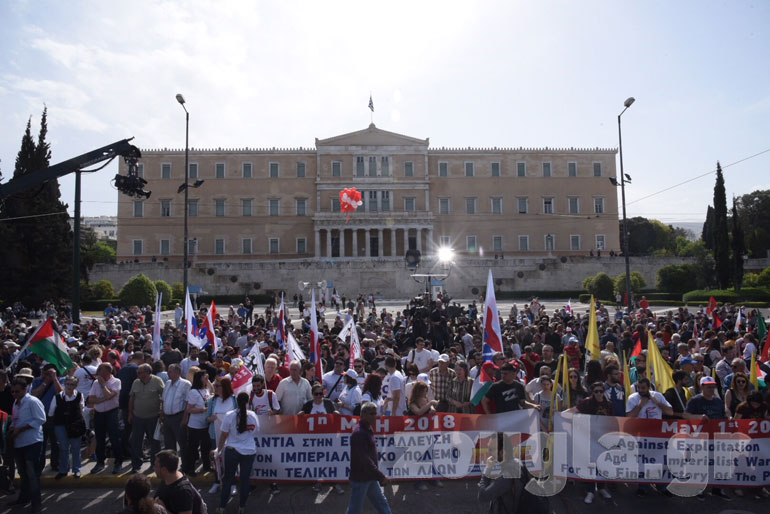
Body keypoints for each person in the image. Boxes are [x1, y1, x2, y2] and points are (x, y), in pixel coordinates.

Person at [685, 376, 731, 500]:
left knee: (718, 463)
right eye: (708, 387)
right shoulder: (695, 401)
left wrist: (729, 419)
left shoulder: (717, 401)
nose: (711, 389)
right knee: (701, 463)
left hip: (717, 437)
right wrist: (699, 417)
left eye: (713, 386)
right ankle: (699, 488)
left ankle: (717, 489)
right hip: (701, 437)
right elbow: (686, 415)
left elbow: (723, 416)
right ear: (702, 387)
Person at [345, 402, 392, 514]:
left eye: (375, 413)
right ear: (363, 414)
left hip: (370, 477)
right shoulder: (359, 433)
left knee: (382, 503)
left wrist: (376, 475)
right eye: (372, 413)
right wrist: (380, 476)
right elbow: (364, 460)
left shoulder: (367, 429)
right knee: (354, 510)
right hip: (361, 478)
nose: (375, 416)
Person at [216, 392, 259, 514]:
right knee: (245, 480)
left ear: (237, 402)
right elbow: (256, 431)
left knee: (228, 479)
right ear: (247, 402)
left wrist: (218, 450)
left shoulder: (229, 415)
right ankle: (242, 507)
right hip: (249, 451)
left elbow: (224, 435)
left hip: (232, 451)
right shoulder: (253, 415)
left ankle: (222, 508)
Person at [8, 379, 46, 512]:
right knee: (23, 473)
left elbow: (41, 419)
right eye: (12, 392)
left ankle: (36, 503)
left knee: (32, 474)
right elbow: (15, 419)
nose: (14, 394)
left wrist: (21, 429)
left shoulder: (32, 401)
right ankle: (24, 498)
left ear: (25, 390)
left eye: (17, 391)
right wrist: (12, 428)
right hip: (19, 443)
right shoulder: (16, 403)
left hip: (32, 442)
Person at [574, 382, 613, 504]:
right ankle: (590, 491)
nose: (599, 394)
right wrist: (560, 415)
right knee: (590, 464)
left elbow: (612, 421)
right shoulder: (587, 403)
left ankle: (601, 488)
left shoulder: (609, 404)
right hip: (589, 438)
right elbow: (574, 410)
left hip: (603, 439)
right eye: (596, 391)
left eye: (601, 391)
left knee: (602, 463)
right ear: (592, 392)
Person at [88, 362, 124, 474]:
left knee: (114, 439)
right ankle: (100, 462)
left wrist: (103, 385)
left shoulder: (116, 382)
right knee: (99, 439)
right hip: (99, 413)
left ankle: (118, 462)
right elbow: (91, 400)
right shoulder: (95, 383)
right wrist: (103, 399)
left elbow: (110, 395)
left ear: (107, 372)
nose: (98, 373)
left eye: (100, 371)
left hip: (112, 413)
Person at [129, 363, 165, 473]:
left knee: (154, 442)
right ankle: (136, 465)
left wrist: (162, 414)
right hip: (138, 417)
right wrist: (130, 413)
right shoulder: (136, 382)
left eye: (139, 373)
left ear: (147, 373)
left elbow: (164, 397)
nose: (137, 374)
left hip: (153, 417)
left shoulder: (157, 381)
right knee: (136, 441)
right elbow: (132, 398)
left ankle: (155, 464)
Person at [49, 375, 86, 479]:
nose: (69, 386)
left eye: (72, 384)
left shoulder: (79, 395)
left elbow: (81, 409)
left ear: (76, 386)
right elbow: (51, 413)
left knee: (76, 448)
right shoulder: (57, 397)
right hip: (60, 425)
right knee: (63, 448)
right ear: (65, 384)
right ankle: (63, 470)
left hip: (75, 425)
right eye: (68, 384)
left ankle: (77, 469)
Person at [206, 376, 237, 495]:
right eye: (214, 386)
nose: (215, 388)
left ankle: (232, 483)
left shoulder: (234, 399)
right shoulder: (212, 401)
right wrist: (212, 418)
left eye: (217, 386)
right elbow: (207, 418)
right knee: (216, 458)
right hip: (215, 434)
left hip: (231, 436)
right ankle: (217, 481)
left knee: (230, 459)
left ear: (224, 387)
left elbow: (238, 416)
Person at [154, 450, 205, 514]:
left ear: (164, 470)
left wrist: (162, 510)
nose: (154, 469)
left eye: (156, 466)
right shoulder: (167, 479)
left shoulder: (183, 491)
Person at [184, 370, 212, 476]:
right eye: (204, 377)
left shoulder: (205, 390)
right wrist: (203, 410)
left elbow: (212, 389)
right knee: (192, 448)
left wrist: (207, 379)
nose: (206, 379)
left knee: (206, 447)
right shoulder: (194, 392)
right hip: (195, 426)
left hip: (205, 424)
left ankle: (207, 466)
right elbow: (189, 409)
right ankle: (189, 469)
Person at [162, 364, 191, 454]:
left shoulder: (185, 384)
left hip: (179, 417)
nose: (168, 373)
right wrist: (162, 414)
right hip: (167, 418)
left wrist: (185, 418)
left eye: (170, 371)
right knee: (168, 443)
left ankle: (185, 466)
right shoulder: (167, 383)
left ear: (178, 372)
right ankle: (171, 465)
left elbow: (188, 403)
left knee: (182, 443)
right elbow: (163, 400)